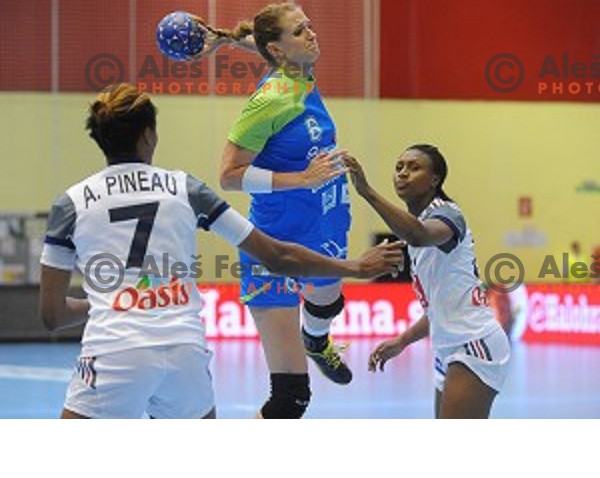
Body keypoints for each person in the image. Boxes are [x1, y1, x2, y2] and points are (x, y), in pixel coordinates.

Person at [39, 83, 402, 419]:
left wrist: (116, 298)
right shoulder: (184, 188)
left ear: (99, 139)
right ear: (150, 135)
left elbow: (52, 316)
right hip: (184, 353)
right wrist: (354, 266)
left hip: (114, 352)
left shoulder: (70, 204)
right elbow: (277, 256)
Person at [197, 2, 357, 418]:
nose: (313, 34)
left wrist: (225, 39)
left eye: (309, 25)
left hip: (324, 220)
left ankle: (317, 340)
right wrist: (300, 179)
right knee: (291, 398)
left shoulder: (299, 73)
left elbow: (262, 45)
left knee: (326, 302)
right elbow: (229, 175)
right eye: (301, 31)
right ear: (280, 50)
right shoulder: (271, 99)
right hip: (273, 244)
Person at [343, 145, 511, 418]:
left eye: (414, 167)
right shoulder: (418, 225)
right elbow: (438, 308)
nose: (403, 173)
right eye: (399, 167)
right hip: (448, 348)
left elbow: (418, 234)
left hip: (474, 343)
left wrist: (367, 191)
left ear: (435, 180)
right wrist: (402, 340)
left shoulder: (447, 215)